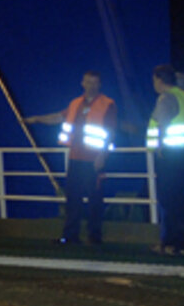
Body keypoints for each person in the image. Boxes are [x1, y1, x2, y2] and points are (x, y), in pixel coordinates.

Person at [24, 71, 117, 245]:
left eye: (94, 82)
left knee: (94, 198)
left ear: (99, 85)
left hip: (94, 158)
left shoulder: (107, 104)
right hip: (75, 157)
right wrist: (37, 119)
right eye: (88, 82)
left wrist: (102, 156)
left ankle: (94, 236)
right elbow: (59, 117)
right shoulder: (76, 103)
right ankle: (71, 235)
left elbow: (111, 131)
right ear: (83, 83)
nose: (91, 85)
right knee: (73, 197)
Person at [147, 64, 184, 255]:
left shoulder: (166, 97)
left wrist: (161, 145)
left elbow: (162, 122)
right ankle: (183, 243)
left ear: (159, 79)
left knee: (169, 199)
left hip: (170, 155)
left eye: (154, 79)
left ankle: (171, 243)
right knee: (179, 200)